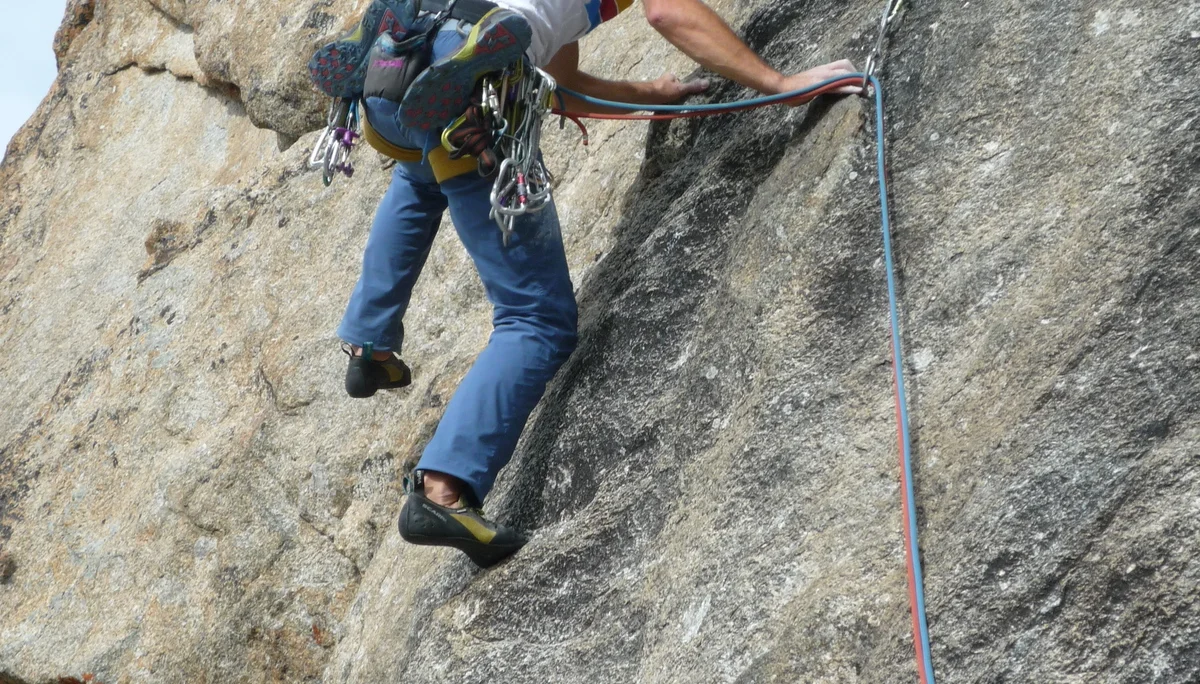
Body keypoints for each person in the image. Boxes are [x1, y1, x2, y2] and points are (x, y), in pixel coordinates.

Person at [314, 0, 860, 568]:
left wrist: (649, 94)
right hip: (471, 97)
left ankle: (370, 341)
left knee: (423, 166)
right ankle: (444, 490)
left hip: (397, 76)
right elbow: (669, 14)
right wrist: (783, 83)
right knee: (536, 319)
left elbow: (562, 83)